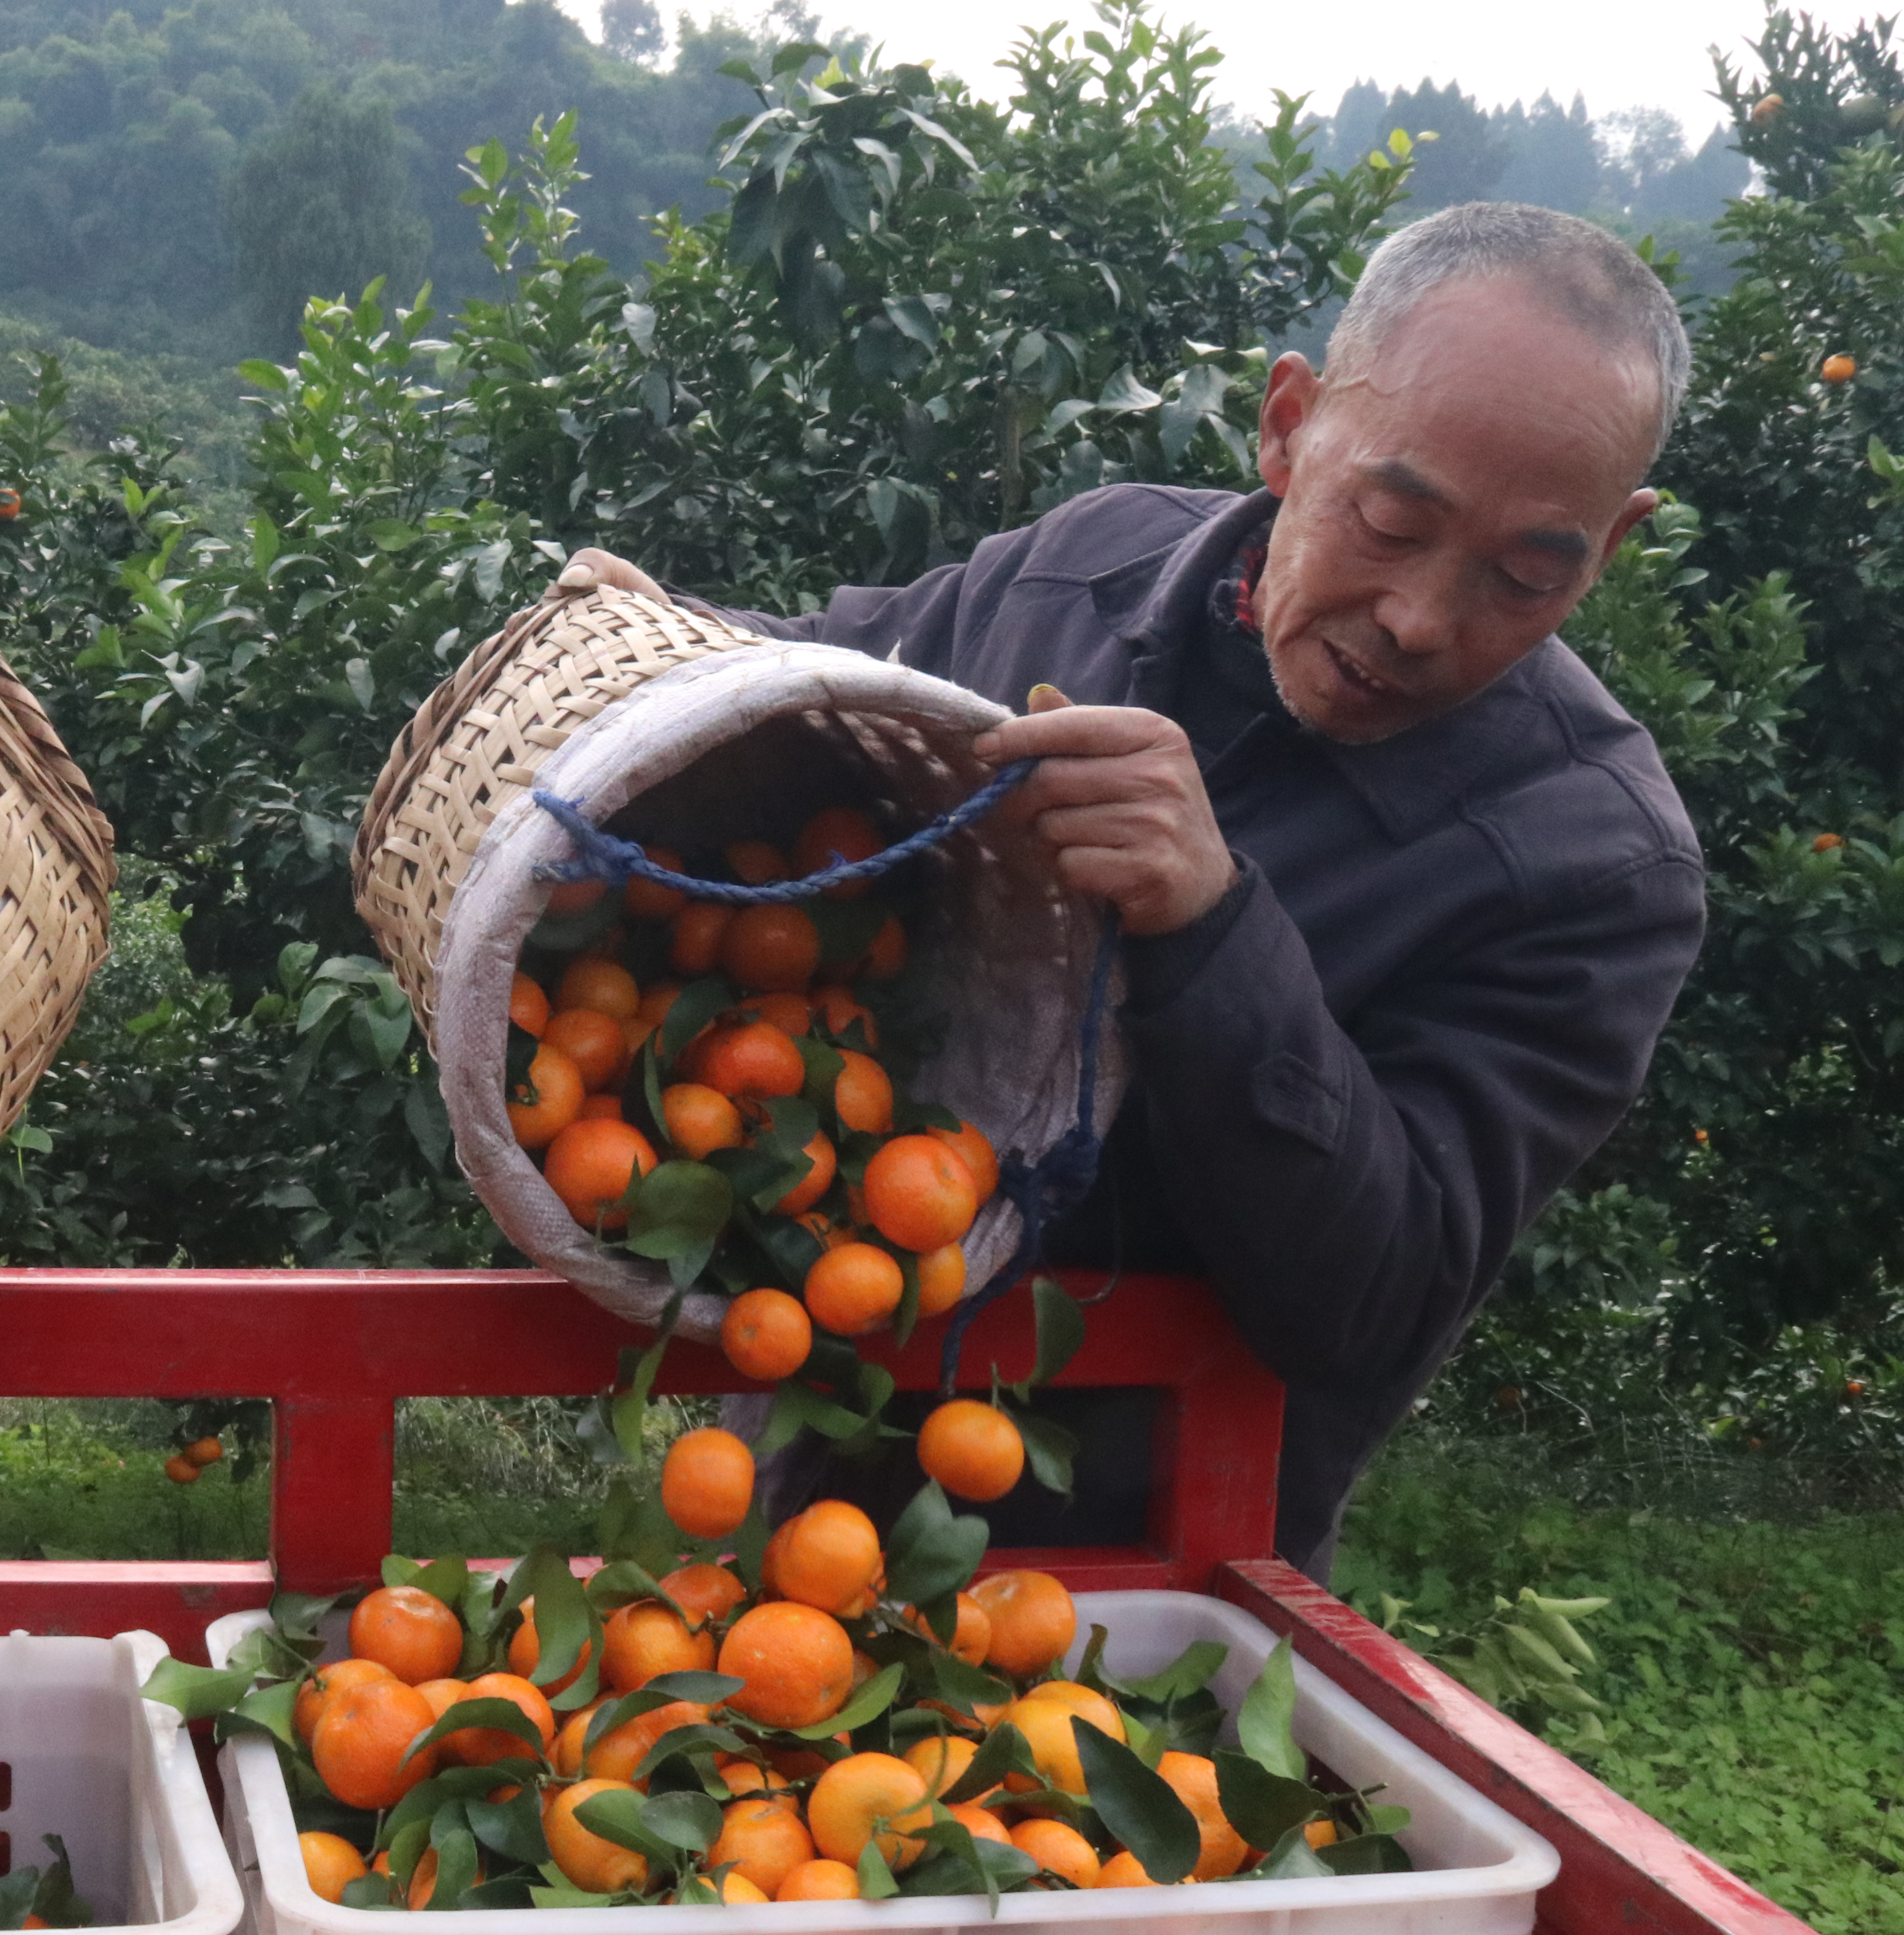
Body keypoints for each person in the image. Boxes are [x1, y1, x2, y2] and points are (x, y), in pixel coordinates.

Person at [572, 204, 1708, 1580]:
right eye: (1392, 521)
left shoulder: (1589, 858)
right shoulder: (1081, 573)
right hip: (786, 1509)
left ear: (1614, 543)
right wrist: (673, 648)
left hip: (1141, 1605)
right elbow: (839, 676)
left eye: (1528, 576)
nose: (1420, 616)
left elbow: (1378, 1300)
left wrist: (1214, 928)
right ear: (1289, 426)